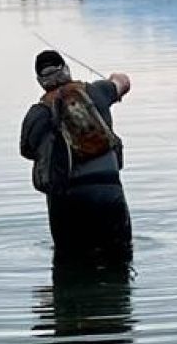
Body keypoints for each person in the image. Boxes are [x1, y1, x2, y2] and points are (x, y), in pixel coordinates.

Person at [19, 49, 133, 265]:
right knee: (120, 260)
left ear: (40, 81)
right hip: (109, 193)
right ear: (66, 70)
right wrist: (112, 81)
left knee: (71, 264)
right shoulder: (96, 93)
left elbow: (27, 150)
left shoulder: (37, 114)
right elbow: (124, 82)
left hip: (67, 202)